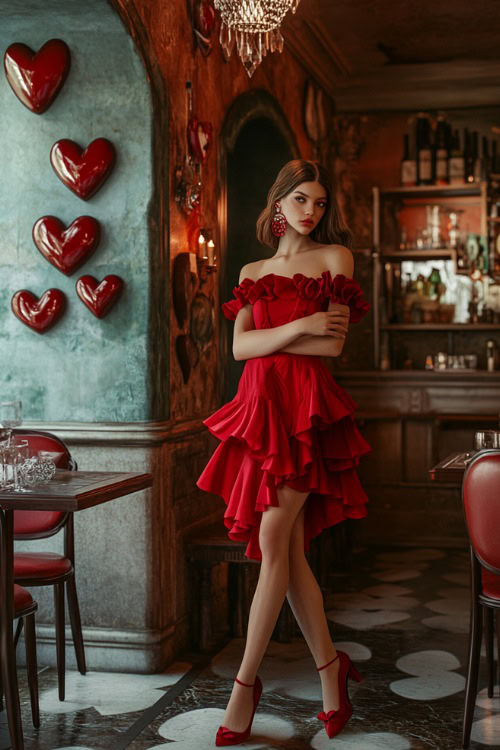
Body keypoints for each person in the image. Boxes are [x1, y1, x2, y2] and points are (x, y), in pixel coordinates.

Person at [196, 159, 371, 745]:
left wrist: (298, 334)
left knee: (272, 541)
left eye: (319, 203)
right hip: (259, 410)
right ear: (277, 204)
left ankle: (243, 686)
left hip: (305, 413)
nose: (311, 211)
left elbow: (334, 347)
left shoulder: (334, 260)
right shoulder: (252, 269)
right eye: (301, 200)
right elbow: (241, 348)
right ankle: (331, 673)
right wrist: (299, 328)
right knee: (288, 552)